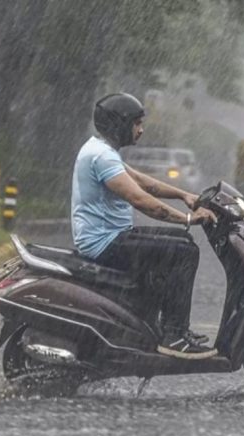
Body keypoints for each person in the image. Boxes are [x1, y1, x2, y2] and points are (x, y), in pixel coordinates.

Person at [71, 92, 218, 359]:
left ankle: (168, 327)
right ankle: (173, 335)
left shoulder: (102, 150)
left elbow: (143, 182)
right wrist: (187, 219)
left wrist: (185, 195)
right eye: (136, 123)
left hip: (112, 237)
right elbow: (141, 199)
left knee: (183, 242)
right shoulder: (101, 157)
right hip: (105, 243)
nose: (141, 129)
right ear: (119, 124)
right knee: (184, 252)